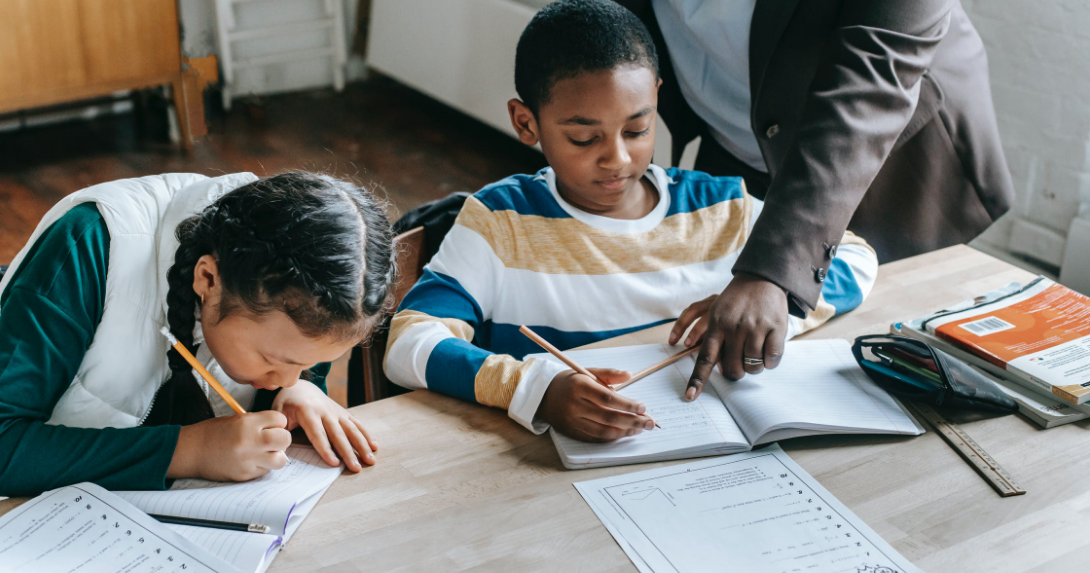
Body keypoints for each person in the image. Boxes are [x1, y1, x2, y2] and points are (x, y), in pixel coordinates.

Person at [382, 0, 878, 442]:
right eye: (583, 139)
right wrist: (536, 388)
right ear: (526, 122)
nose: (617, 158)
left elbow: (856, 258)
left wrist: (768, 313)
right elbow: (409, 341)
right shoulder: (500, 223)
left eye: (637, 129)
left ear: (658, 97)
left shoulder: (719, 205)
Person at [614, 0, 1014, 395]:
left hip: (889, 166)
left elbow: (869, 88)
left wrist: (771, 271)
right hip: (730, 143)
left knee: (890, 368)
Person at [0, 171, 396, 496]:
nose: (292, 375)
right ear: (207, 278)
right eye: (276, 362)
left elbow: (289, 373)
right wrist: (189, 451)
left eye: (313, 364)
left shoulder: (305, 291)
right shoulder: (87, 244)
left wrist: (296, 393)